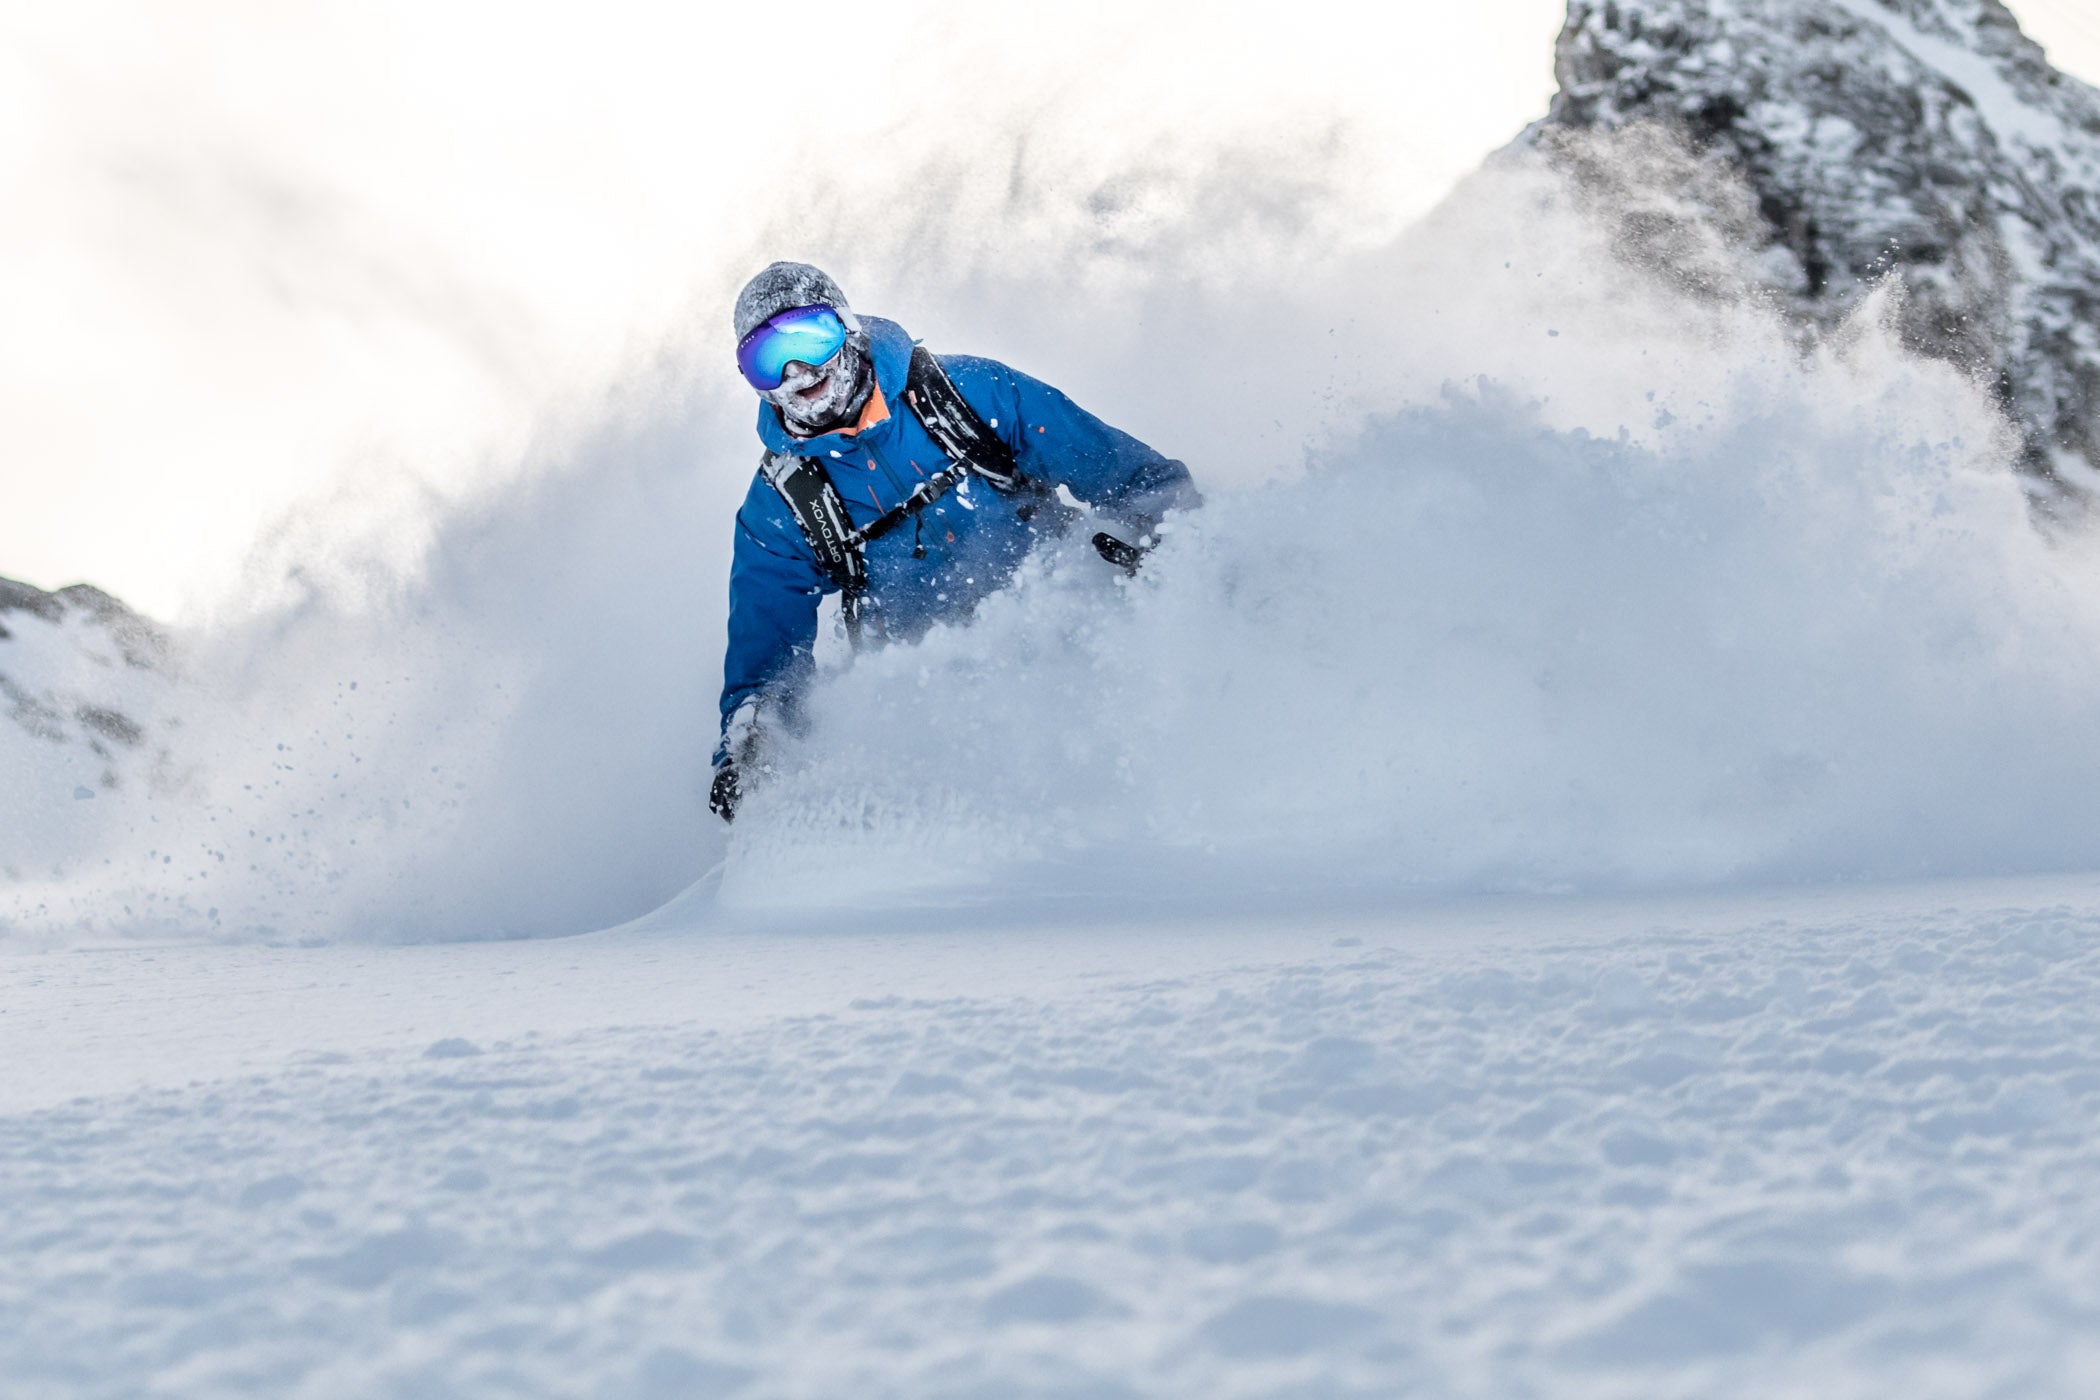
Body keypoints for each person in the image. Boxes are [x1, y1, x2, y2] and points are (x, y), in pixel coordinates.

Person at [710, 261, 1197, 821]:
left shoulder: (971, 396)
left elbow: (1136, 480)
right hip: (942, 714)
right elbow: (767, 671)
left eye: (810, 339)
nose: (797, 371)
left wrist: (1174, 549)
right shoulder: (780, 508)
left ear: (848, 329)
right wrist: (754, 748)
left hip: (1083, 638)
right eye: (766, 361)